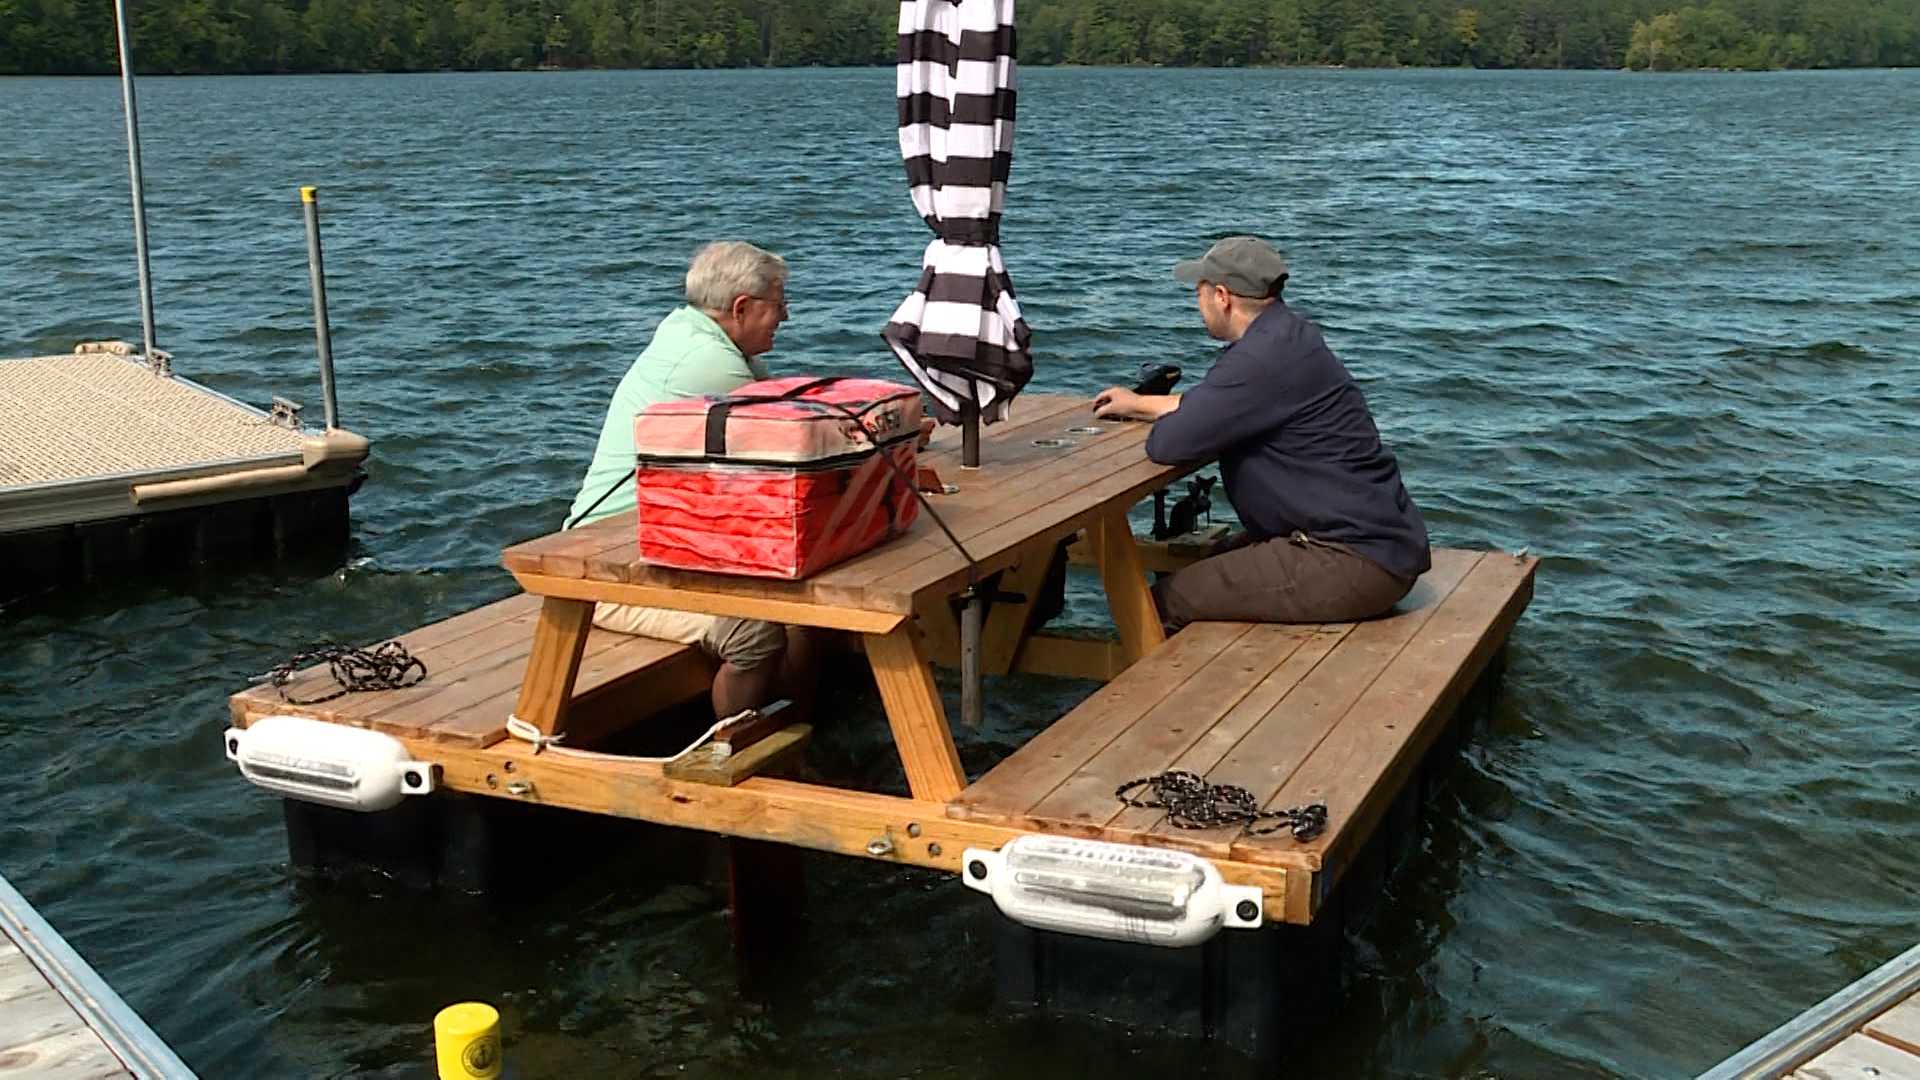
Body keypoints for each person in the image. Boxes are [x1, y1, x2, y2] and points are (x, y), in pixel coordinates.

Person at [1093, 235, 1431, 629]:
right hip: (1380, 544)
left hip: (1349, 559)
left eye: (1198, 292)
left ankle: (1172, 689)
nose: (1196, 303)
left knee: (1158, 604)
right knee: (1203, 562)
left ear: (1222, 296)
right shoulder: (1290, 336)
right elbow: (1222, 403)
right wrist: (1140, 404)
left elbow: (1168, 444)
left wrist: (1187, 418)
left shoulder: (1257, 360)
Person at [565, 240, 814, 721]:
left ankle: (801, 730)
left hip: (664, 539)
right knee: (757, 631)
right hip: (608, 566)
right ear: (742, 307)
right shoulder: (709, 362)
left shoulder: (701, 336)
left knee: (805, 613)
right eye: (780, 304)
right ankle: (732, 750)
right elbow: (792, 443)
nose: (786, 316)